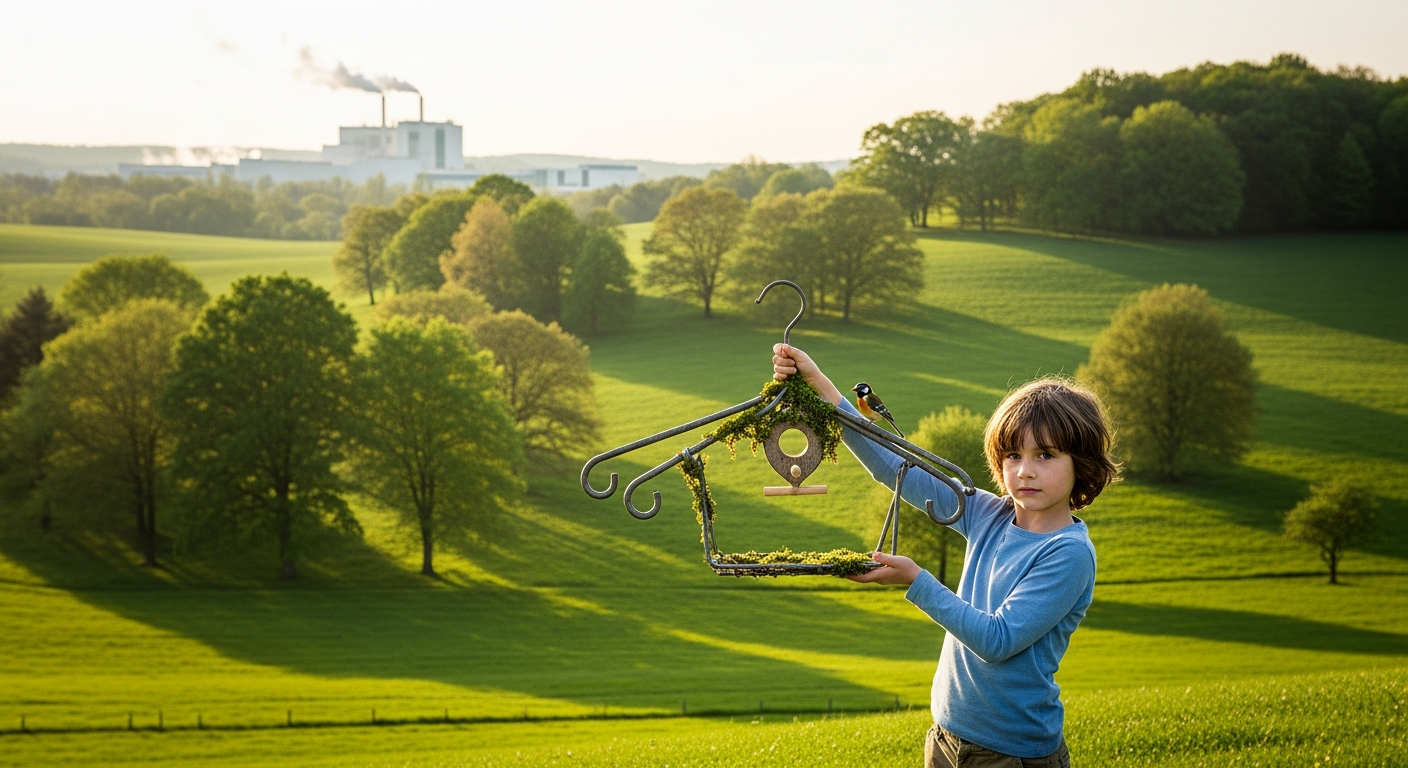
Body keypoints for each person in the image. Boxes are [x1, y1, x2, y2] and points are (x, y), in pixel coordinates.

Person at [772, 343, 1118, 768]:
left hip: (1010, 754)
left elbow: (998, 641)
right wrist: (819, 384)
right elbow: (893, 467)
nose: (1024, 470)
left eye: (1044, 455)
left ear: (1080, 464)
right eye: (1013, 455)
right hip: (946, 738)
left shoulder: (1068, 554)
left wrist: (917, 581)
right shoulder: (988, 513)